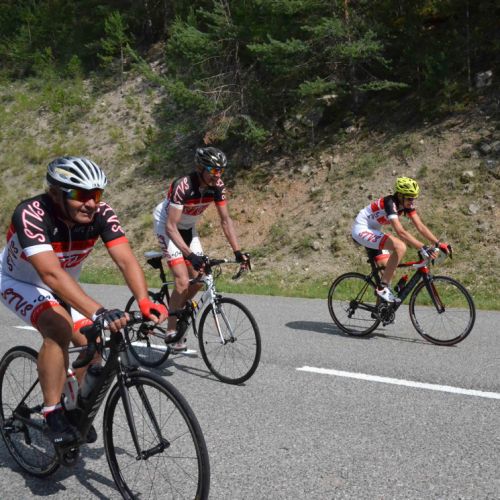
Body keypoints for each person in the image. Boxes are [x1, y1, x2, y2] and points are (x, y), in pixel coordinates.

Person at [0, 156, 167, 447]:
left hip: (62, 285)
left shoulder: (102, 214)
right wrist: (99, 312)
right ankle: (52, 412)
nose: (91, 203)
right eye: (80, 195)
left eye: (96, 195)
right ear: (55, 193)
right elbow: (50, 274)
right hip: (21, 282)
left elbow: (126, 260)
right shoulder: (31, 213)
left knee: (96, 340)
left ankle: (71, 406)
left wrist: (143, 300)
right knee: (59, 328)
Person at [153, 146, 249, 351]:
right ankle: (171, 330)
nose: (218, 175)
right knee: (182, 280)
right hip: (167, 226)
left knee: (199, 278)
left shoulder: (217, 187)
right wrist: (190, 256)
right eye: (213, 170)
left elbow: (225, 220)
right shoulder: (183, 186)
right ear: (200, 168)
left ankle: (177, 308)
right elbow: (171, 227)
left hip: (188, 228)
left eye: (221, 170)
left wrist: (237, 251)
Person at [351, 176, 452, 303]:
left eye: (414, 198)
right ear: (400, 195)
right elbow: (400, 232)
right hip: (361, 228)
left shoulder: (405, 204)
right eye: (409, 198)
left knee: (389, 272)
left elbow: (420, 226)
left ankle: (380, 309)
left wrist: (437, 243)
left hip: (373, 230)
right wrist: (423, 247)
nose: (412, 201)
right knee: (400, 246)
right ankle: (381, 288)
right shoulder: (389, 203)